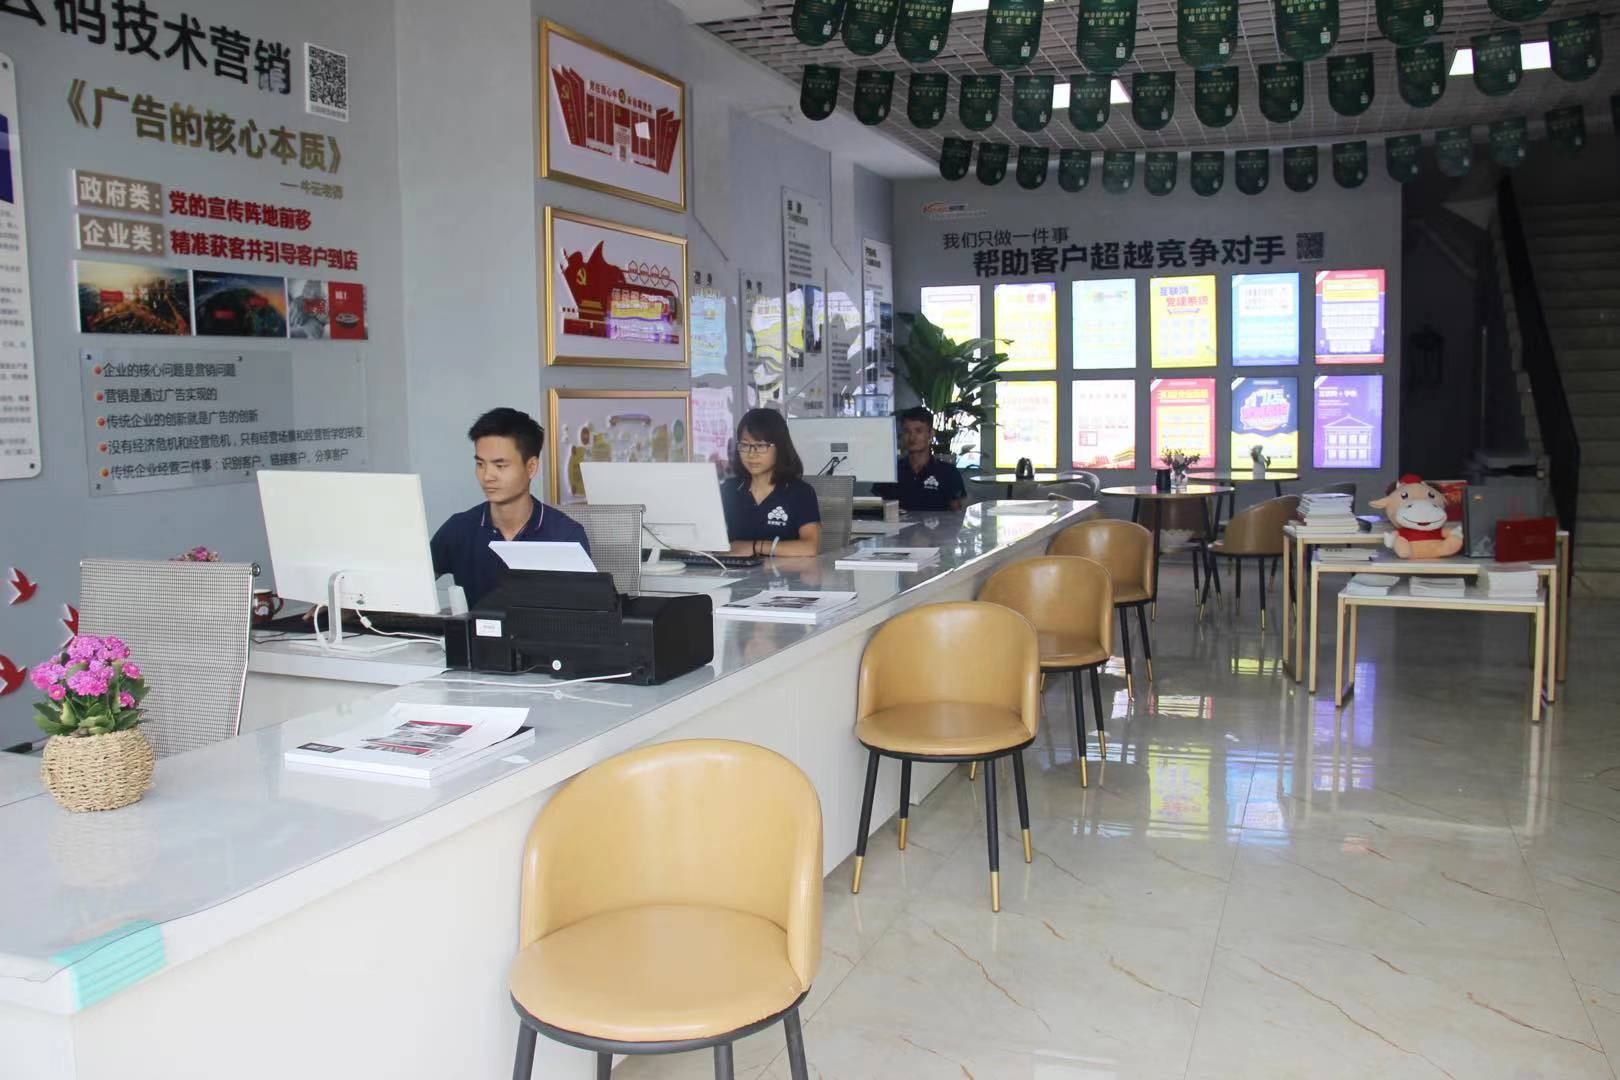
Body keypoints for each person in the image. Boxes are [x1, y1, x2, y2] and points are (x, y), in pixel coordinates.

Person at [430, 408, 589, 606]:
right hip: (475, 627)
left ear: (531, 467)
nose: (487, 476)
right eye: (480, 464)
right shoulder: (458, 529)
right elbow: (412, 584)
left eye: (500, 466)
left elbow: (588, 612)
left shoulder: (566, 535)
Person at [721, 408, 821, 558]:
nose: (751, 454)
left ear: (779, 448)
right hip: (734, 570)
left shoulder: (800, 492)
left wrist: (755, 547)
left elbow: (810, 547)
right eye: (745, 445)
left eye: (761, 446)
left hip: (785, 572)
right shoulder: (729, 490)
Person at [893, 406, 966, 512]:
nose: (912, 438)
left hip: (939, 523)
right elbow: (878, 509)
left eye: (918, 431)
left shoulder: (948, 473)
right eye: (907, 432)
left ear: (931, 433)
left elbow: (957, 514)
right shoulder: (892, 471)